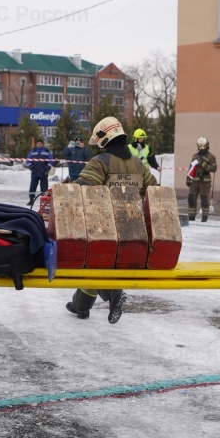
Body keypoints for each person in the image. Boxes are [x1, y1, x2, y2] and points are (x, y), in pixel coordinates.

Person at [66, 116, 158, 324]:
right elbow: (154, 189)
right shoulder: (137, 164)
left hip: (102, 225)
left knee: (93, 262)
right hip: (133, 227)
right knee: (98, 263)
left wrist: (66, 187)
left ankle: (113, 294)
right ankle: (80, 306)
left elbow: (83, 186)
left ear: (103, 139)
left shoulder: (101, 162)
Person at [186, 137, 218, 222]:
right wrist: (188, 178)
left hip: (205, 181)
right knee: (191, 199)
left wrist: (203, 164)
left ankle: (204, 217)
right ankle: (191, 217)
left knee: (204, 200)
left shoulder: (211, 157)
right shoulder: (195, 156)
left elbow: (214, 169)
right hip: (194, 181)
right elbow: (191, 168)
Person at [26, 138, 54, 204]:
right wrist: (31, 167)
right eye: (38, 143)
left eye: (40, 143)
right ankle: (31, 200)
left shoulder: (46, 151)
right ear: (36, 144)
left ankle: (44, 200)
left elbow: (51, 160)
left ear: (42, 144)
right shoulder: (33, 151)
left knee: (44, 187)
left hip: (43, 172)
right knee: (32, 187)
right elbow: (28, 160)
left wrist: (47, 167)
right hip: (35, 172)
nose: (39, 144)